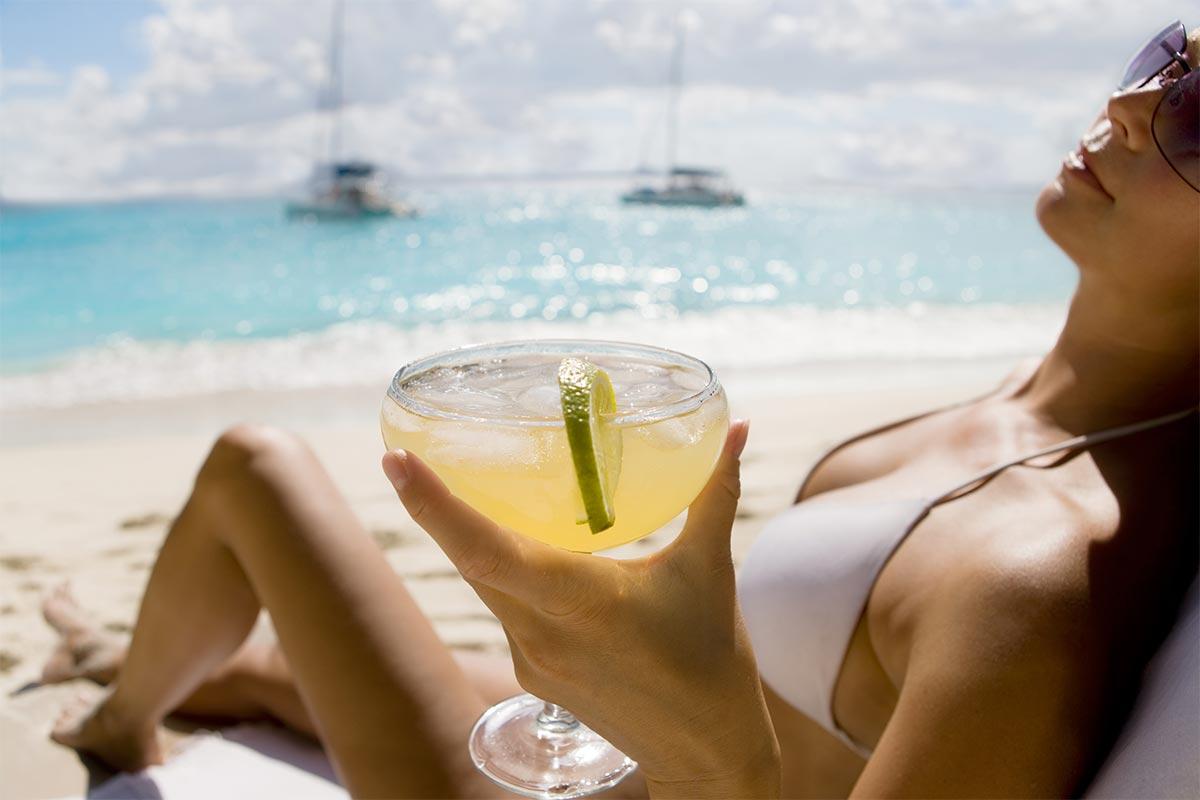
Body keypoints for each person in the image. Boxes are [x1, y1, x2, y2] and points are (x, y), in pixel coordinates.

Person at [43, 21, 1198, 799]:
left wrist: (709, 744)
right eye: (1167, 55)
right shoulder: (1039, 409)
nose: (1129, 100)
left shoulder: (1037, 577)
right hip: (630, 739)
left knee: (255, 464)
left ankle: (120, 721)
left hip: (602, 783)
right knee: (418, 655)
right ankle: (162, 663)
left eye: (1196, 115)